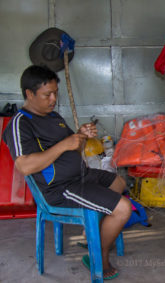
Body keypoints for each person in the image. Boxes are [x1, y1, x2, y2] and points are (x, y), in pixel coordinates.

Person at [2, 65, 132, 280]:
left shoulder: (53, 116)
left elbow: (75, 147)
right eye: (47, 94)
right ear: (29, 94)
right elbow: (24, 166)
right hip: (60, 188)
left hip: (81, 176)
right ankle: (98, 255)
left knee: (119, 182)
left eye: (55, 93)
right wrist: (64, 145)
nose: (53, 99)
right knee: (122, 208)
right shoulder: (20, 124)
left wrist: (81, 135)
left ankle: (92, 235)